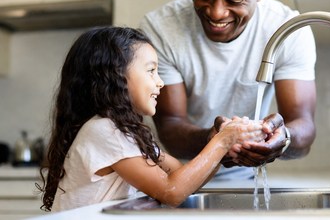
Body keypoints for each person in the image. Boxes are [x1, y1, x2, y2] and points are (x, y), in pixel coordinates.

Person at [38, 26, 270, 212]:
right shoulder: (104, 130)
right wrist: (222, 141)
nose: (160, 82)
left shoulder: (121, 131)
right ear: (116, 76)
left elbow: (181, 175)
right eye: (151, 71)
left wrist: (222, 145)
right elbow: (172, 191)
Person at [139, 0, 317, 177]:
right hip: (175, 174)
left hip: (248, 178)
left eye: (234, 0)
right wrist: (215, 140)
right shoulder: (161, 30)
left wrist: (284, 137)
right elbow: (170, 125)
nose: (216, 12)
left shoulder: (288, 30)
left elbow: (303, 125)